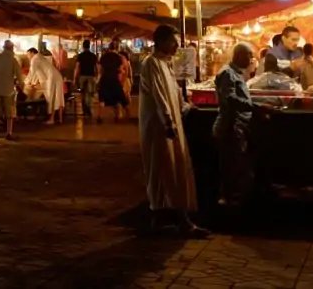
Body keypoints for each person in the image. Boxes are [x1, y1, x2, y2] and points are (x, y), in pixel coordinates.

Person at [139, 24, 207, 237]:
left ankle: (164, 220)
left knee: (172, 169)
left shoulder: (166, 64)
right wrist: (168, 123)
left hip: (171, 125)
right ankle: (177, 220)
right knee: (163, 169)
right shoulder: (151, 64)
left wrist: (187, 107)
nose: (177, 45)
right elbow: (160, 97)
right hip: (159, 127)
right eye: (173, 41)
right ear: (161, 41)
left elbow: (174, 96)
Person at [213, 43, 266, 207]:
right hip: (230, 128)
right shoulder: (227, 74)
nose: (251, 59)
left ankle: (233, 202)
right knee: (231, 169)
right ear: (239, 56)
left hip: (238, 127)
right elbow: (230, 100)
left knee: (238, 167)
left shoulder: (236, 73)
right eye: (249, 55)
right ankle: (228, 207)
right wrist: (256, 107)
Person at [0, 40, 23, 140]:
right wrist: (22, 87)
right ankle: (9, 133)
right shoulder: (13, 60)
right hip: (8, 90)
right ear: (11, 48)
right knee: (9, 112)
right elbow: (19, 76)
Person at [27, 45, 65, 124]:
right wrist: (34, 82)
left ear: (32, 52)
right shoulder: (41, 58)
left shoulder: (35, 59)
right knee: (59, 97)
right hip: (57, 76)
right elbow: (39, 74)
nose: (28, 57)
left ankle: (51, 119)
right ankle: (60, 119)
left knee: (51, 98)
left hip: (51, 78)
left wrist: (25, 83)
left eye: (28, 54)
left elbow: (31, 73)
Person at [98, 42, 129, 123]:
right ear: (116, 48)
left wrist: (100, 78)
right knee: (121, 98)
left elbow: (100, 70)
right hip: (114, 79)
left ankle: (99, 116)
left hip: (105, 79)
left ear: (109, 48)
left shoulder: (104, 56)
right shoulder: (118, 57)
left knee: (102, 98)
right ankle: (127, 115)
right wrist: (122, 80)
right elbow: (121, 70)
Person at [74, 40, 99, 120]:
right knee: (91, 94)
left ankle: (85, 110)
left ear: (83, 46)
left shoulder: (80, 56)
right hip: (91, 77)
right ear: (89, 46)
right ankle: (89, 109)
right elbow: (97, 67)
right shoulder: (93, 56)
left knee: (82, 93)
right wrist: (97, 76)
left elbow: (77, 68)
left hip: (82, 77)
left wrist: (75, 78)